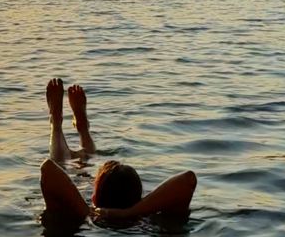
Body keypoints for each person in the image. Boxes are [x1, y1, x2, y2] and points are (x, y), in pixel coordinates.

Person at [40, 79, 198, 224]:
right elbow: (188, 179)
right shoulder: (146, 219)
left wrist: (88, 213)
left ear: (94, 197)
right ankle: (81, 129)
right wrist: (130, 213)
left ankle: (56, 121)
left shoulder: (85, 218)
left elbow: (48, 168)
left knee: (64, 165)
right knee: (84, 168)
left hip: (84, 214)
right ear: (141, 197)